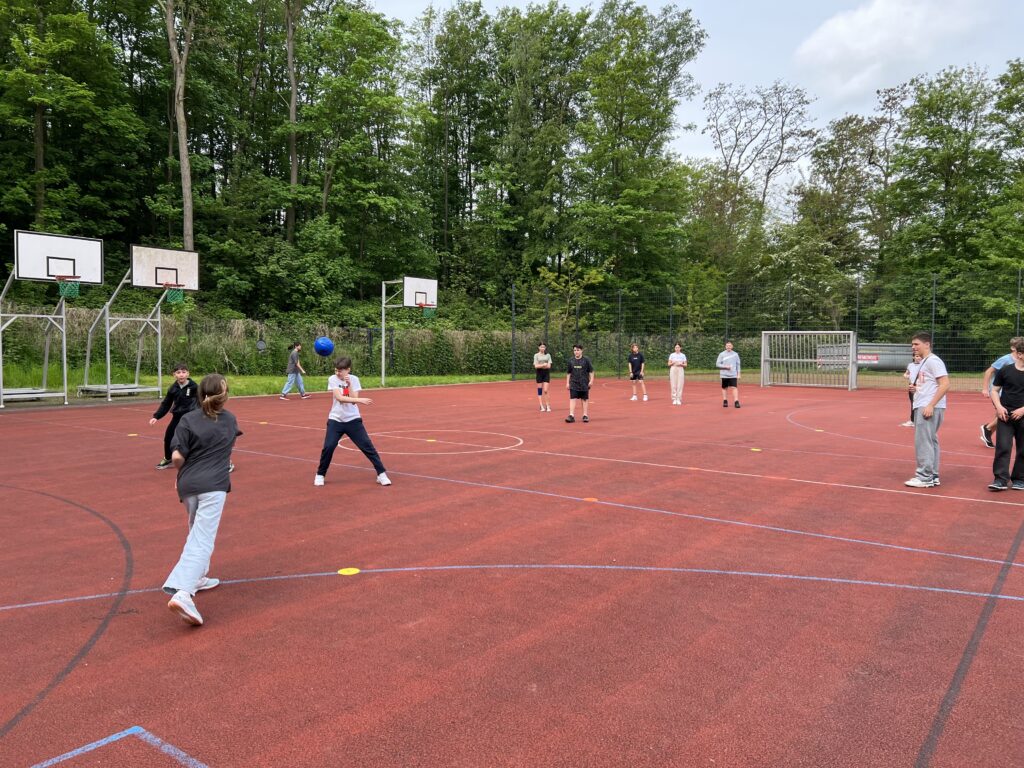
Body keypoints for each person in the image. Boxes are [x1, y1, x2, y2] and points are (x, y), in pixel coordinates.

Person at [163, 374, 242, 626]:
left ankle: (198, 576)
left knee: (195, 530)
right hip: (213, 485)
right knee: (203, 538)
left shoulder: (187, 419)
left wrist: (183, 472)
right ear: (224, 395)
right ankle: (184, 592)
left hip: (187, 484)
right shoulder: (229, 420)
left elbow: (176, 456)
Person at [314, 357, 391, 487]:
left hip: (353, 420)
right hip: (336, 419)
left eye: (340, 371)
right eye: (336, 370)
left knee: (367, 446)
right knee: (329, 447)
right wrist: (361, 400)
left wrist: (349, 385)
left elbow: (354, 400)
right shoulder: (332, 379)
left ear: (348, 370)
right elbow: (339, 398)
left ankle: (381, 474)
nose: (338, 373)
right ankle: (320, 474)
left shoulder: (354, 380)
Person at [904, 332, 949, 489]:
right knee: (931, 440)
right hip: (924, 402)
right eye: (912, 344)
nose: (913, 347)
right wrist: (916, 388)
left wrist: (930, 404)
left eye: (916, 344)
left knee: (923, 441)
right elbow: (931, 383)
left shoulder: (933, 361)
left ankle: (924, 476)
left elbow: (945, 384)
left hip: (928, 405)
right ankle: (932, 475)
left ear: (927, 344)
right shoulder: (925, 362)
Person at [989, 339, 1024, 490]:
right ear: (1020, 354)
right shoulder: (1006, 370)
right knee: (1003, 446)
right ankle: (1000, 479)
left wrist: (1023, 409)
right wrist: (999, 407)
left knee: (1023, 448)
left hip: (1023, 415)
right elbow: (994, 390)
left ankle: (1020, 478)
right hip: (1005, 415)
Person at [150, 362, 198, 470]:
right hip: (177, 417)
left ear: (188, 374)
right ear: (174, 375)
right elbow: (166, 403)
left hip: (191, 417)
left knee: (196, 438)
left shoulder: (194, 387)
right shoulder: (173, 388)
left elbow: (202, 400)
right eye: (178, 372)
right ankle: (168, 458)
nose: (181, 374)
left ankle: (199, 459)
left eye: (184, 372)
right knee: (168, 437)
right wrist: (156, 416)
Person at [980, 342, 1018, 447]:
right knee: (1007, 414)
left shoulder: (1020, 360)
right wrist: (985, 388)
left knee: (1003, 415)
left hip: (1010, 392)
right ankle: (987, 428)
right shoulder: (1005, 359)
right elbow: (988, 372)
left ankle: (987, 430)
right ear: (1013, 348)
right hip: (998, 392)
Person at [565, 344, 594, 423]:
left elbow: (591, 371)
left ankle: (585, 415)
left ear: (581, 351)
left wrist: (591, 381)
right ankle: (571, 415)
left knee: (584, 399)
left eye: (578, 350)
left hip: (584, 383)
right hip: (574, 383)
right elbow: (568, 373)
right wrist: (567, 383)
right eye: (574, 350)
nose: (576, 352)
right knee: (572, 398)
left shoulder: (586, 360)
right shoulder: (571, 360)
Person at [900, 352, 923, 427]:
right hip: (911, 385)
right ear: (914, 357)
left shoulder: (923, 365)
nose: (918, 358)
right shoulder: (910, 365)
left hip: (920, 386)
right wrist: (906, 376)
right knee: (913, 403)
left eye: (920, 356)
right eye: (916, 356)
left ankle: (918, 420)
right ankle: (913, 420)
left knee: (920, 403)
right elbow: (906, 373)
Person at [716, 341, 741, 408]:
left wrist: (739, 374)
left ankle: (736, 401)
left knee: (734, 387)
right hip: (724, 374)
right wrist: (725, 366)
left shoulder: (735, 354)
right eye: (727, 346)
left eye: (730, 346)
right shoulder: (721, 354)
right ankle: (725, 401)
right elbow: (717, 364)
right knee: (724, 388)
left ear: (732, 346)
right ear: (725, 346)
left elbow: (738, 365)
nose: (728, 347)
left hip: (733, 374)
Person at [534, 342, 553, 412]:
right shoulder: (536, 355)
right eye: (541, 347)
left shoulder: (548, 355)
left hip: (546, 373)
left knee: (545, 390)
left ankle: (548, 405)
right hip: (539, 373)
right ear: (539, 347)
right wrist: (543, 365)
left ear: (545, 348)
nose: (542, 348)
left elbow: (549, 366)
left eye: (544, 347)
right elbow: (536, 366)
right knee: (540, 390)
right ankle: (541, 406)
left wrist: (541, 365)